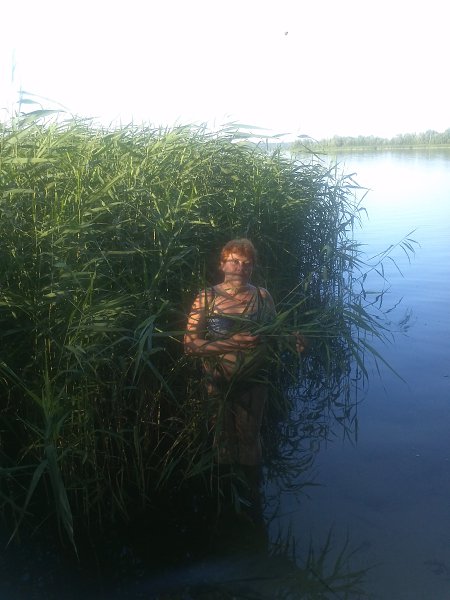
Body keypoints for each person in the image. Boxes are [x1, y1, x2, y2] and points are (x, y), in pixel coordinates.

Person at [184, 238, 305, 470]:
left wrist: (295, 340)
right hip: (217, 380)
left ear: (252, 268)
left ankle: (251, 485)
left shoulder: (262, 296)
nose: (240, 268)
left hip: (254, 380)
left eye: (247, 263)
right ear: (222, 265)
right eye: (234, 262)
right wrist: (231, 344)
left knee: (249, 438)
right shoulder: (206, 297)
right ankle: (226, 486)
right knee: (222, 438)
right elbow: (190, 346)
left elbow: (274, 334)